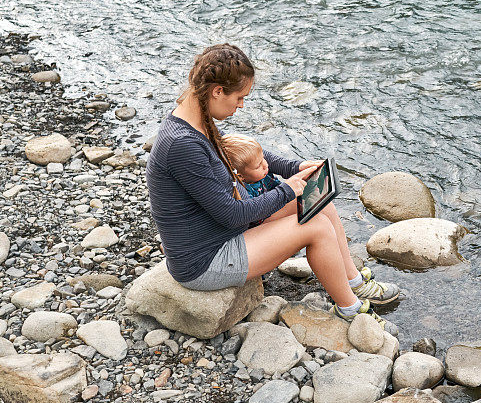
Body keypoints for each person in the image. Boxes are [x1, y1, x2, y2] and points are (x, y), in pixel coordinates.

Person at [146, 43, 400, 334]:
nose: (241, 105)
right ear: (217, 91)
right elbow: (231, 215)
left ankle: (354, 282)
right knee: (315, 227)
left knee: (318, 200)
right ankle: (351, 311)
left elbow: (252, 157)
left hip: (219, 233)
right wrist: (286, 190)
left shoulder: (197, 121)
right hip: (204, 260)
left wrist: (297, 169)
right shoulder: (183, 145)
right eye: (239, 97)